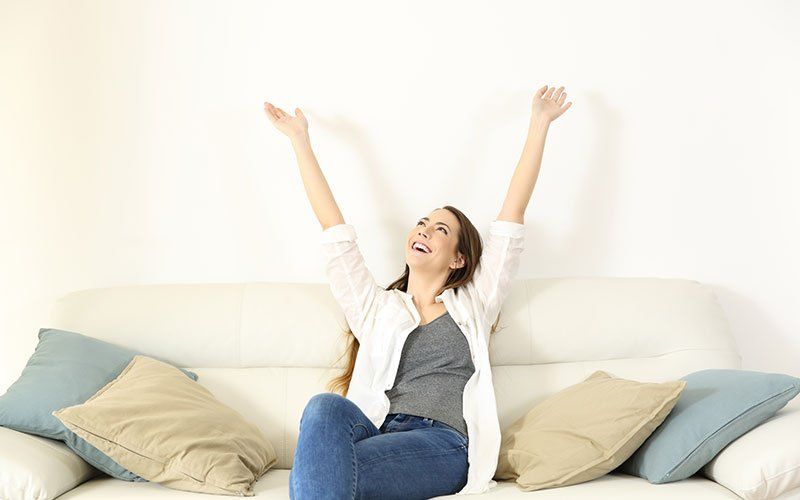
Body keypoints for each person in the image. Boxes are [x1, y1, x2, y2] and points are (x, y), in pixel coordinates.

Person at [264, 85, 572, 499]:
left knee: (331, 473)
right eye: (422, 223)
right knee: (324, 408)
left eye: (440, 229)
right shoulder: (377, 309)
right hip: (373, 432)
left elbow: (511, 219)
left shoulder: (474, 304)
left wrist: (539, 124)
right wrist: (300, 141)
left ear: (458, 259)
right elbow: (335, 233)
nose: (424, 230)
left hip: (442, 445)